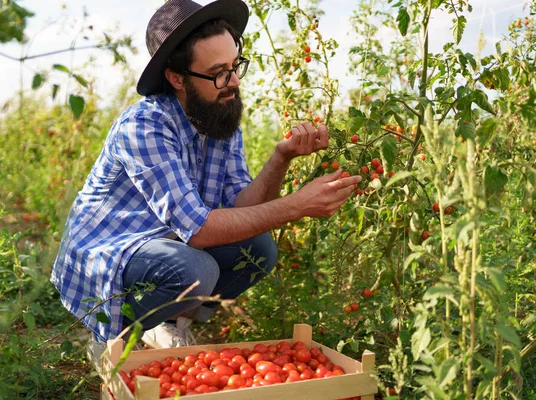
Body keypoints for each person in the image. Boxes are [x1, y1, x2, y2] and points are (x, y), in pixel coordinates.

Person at [50, 0, 361, 356]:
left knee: (258, 249)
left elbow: (240, 208)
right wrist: (296, 206)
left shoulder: (217, 116)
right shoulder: (144, 127)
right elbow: (200, 231)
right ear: (177, 78)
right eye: (219, 72)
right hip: (112, 250)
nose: (234, 81)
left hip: (167, 240)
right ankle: (111, 335)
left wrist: (281, 157)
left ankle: (167, 323)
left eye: (235, 66)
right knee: (195, 269)